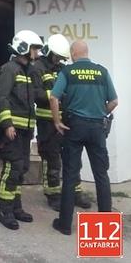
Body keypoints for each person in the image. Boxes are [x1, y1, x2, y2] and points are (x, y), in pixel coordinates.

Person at [50, 40, 118, 236]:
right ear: (87, 53)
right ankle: (105, 227)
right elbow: (114, 101)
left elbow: (54, 97)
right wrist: (99, 112)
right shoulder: (102, 72)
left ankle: (64, 225)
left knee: (70, 175)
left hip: (74, 126)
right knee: (101, 176)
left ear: (73, 53)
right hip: (97, 128)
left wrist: (56, 121)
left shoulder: (68, 72)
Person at [33, 34, 91, 211]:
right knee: (51, 159)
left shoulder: (62, 69)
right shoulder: (38, 68)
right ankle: (53, 194)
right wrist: (55, 95)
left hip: (65, 120)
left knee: (73, 157)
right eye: (57, 56)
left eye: (61, 57)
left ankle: (75, 191)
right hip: (46, 122)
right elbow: (36, 94)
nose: (59, 60)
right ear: (49, 52)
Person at [0, 30, 42, 230]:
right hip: (12, 129)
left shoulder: (28, 71)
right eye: (34, 48)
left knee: (21, 169)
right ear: (23, 48)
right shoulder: (9, 69)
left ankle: (16, 207)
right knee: (12, 168)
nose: (37, 53)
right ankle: (4, 211)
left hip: (25, 129)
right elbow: (1, 97)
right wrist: (7, 124)